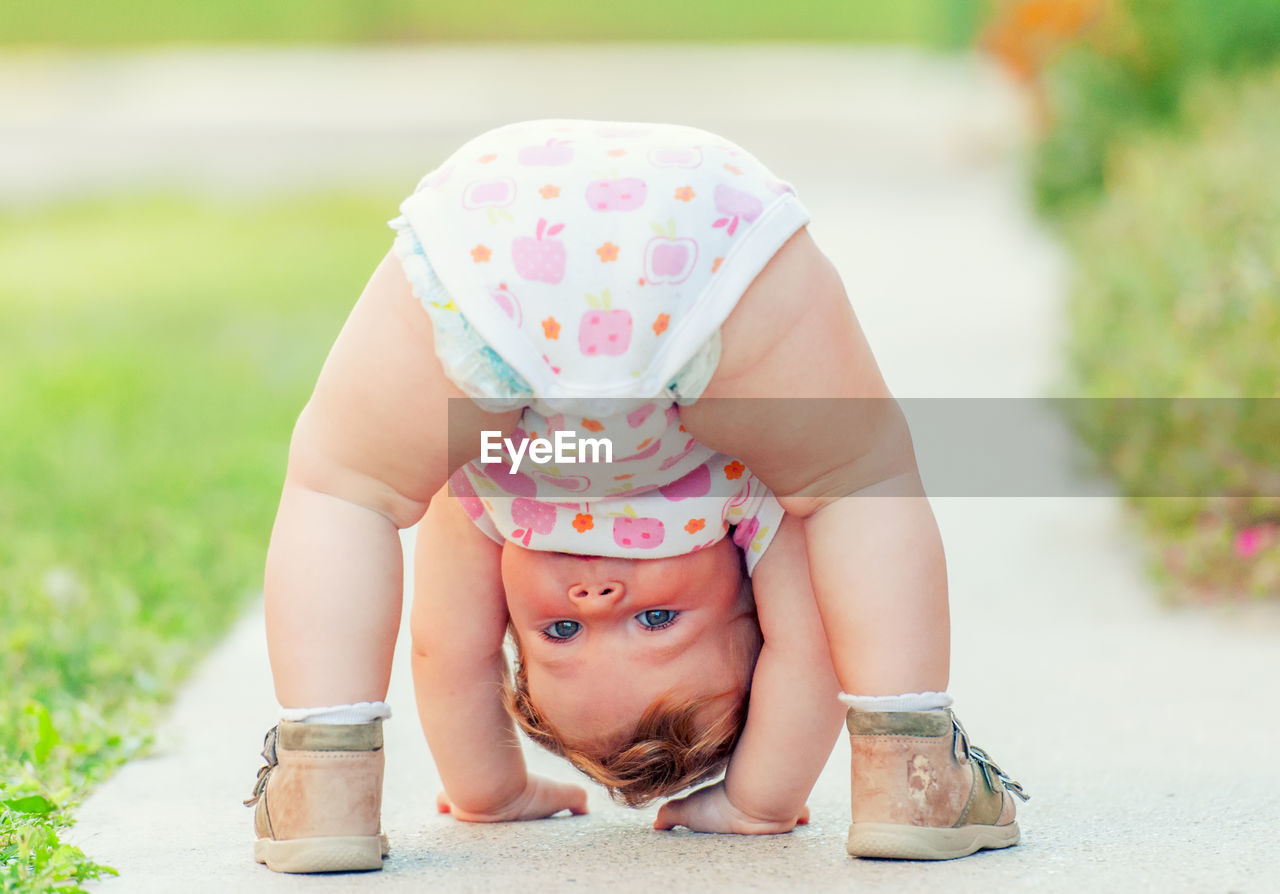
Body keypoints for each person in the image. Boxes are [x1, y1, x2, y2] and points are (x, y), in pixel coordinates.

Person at [244, 119, 1027, 874]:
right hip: (691, 248)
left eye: (558, 629)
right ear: (749, 598)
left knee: (343, 485)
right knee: (855, 479)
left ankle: (326, 789)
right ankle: (911, 771)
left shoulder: (488, 492)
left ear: (506, 617)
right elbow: (818, 642)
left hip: (504, 240)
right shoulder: (742, 504)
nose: (595, 591)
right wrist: (758, 800)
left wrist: (490, 789)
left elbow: (449, 649)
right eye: (653, 620)